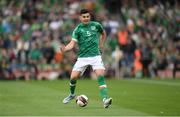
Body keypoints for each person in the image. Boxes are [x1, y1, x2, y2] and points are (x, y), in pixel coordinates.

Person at [60, 9, 112, 108]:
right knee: (73, 78)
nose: (86, 18)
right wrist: (65, 49)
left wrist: (101, 45)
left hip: (95, 56)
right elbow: (72, 43)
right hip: (82, 58)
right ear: (80, 18)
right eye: (84, 17)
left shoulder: (96, 25)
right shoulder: (78, 29)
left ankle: (105, 99)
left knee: (100, 77)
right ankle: (71, 95)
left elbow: (103, 33)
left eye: (87, 16)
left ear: (90, 17)